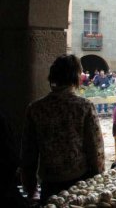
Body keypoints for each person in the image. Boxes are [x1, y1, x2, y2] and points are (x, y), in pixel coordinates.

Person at [21, 54, 105, 204]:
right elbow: (95, 147)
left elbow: (28, 152)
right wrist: (98, 178)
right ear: (76, 77)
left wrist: (30, 186)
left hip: (49, 181)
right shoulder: (84, 106)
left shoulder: (35, 108)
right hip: (80, 181)